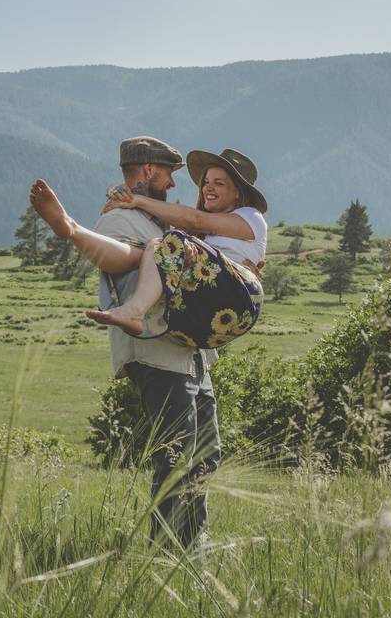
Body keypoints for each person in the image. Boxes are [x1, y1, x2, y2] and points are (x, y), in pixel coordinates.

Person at [29, 136, 220, 549]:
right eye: (169, 174)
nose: (172, 184)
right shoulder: (119, 221)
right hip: (157, 352)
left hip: (191, 355)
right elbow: (121, 257)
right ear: (149, 170)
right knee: (176, 458)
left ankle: (193, 544)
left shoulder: (150, 215)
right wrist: (75, 232)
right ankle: (170, 553)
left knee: (205, 455)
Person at [86, 148, 268, 350]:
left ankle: (134, 311)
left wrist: (136, 200)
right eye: (206, 182)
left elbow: (195, 220)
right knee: (154, 247)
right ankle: (78, 236)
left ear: (237, 193)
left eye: (219, 183)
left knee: (169, 242)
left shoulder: (252, 216)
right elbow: (164, 229)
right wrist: (123, 191)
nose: (208, 188)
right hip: (205, 318)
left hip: (237, 297)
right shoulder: (203, 238)